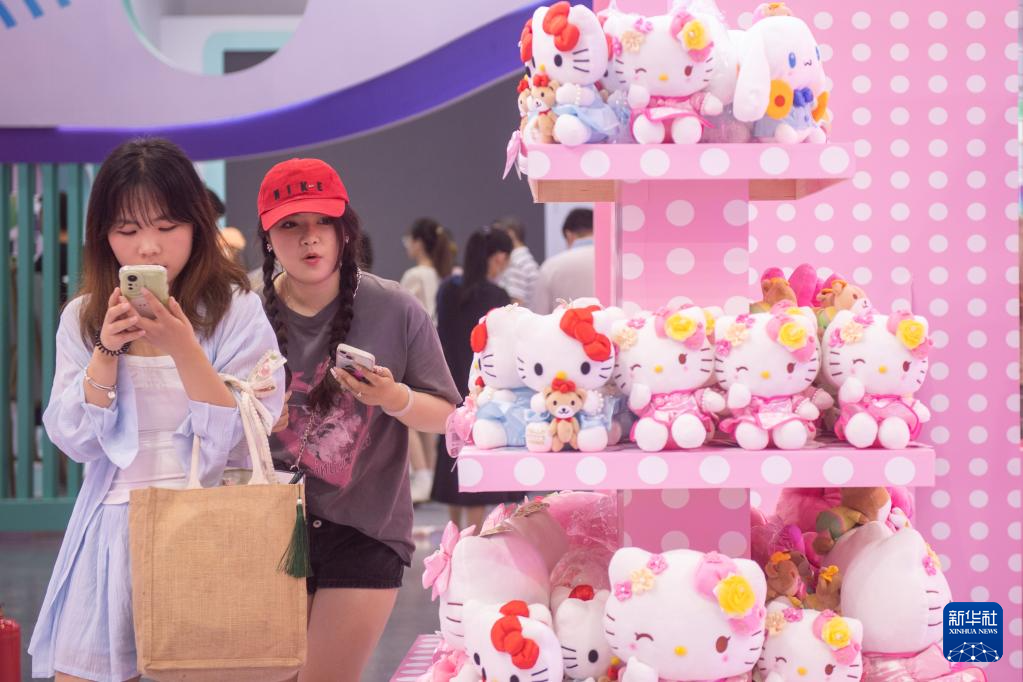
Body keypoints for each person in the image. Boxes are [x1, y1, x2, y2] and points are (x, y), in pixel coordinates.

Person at [28, 138, 284, 682]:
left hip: (209, 527)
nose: (148, 248)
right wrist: (106, 351)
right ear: (104, 236)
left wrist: (183, 348)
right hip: (110, 530)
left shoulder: (236, 310)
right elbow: (74, 440)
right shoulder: (82, 318)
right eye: (127, 230)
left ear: (196, 224)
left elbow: (249, 429)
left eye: (167, 226)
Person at [257, 158, 459, 682]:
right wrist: (253, 417)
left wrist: (394, 397)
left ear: (345, 229)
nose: (310, 238)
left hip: (365, 529)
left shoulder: (395, 307)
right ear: (268, 237)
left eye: (323, 222)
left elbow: (449, 417)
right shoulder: (247, 314)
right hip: (263, 524)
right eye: (290, 225)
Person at [432, 225, 517, 531]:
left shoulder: (447, 290)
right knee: (480, 449)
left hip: (449, 382)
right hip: (484, 387)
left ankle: (454, 532)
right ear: (498, 258)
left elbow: (440, 336)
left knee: (452, 450)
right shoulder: (497, 295)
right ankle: (475, 535)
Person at [399, 217, 454, 502]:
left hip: (412, 348)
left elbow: (400, 315)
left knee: (401, 412)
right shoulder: (442, 274)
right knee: (430, 414)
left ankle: (421, 475)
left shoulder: (415, 274)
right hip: (436, 348)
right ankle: (429, 476)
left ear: (419, 242)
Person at [531, 207, 595, 314]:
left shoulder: (552, 266)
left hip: (563, 324)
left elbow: (539, 314)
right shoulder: (616, 262)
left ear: (569, 235)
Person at [494, 215, 540, 307]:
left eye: (497, 236)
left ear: (511, 234)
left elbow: (515, 303)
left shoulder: (516, 263)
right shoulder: (523, 260)